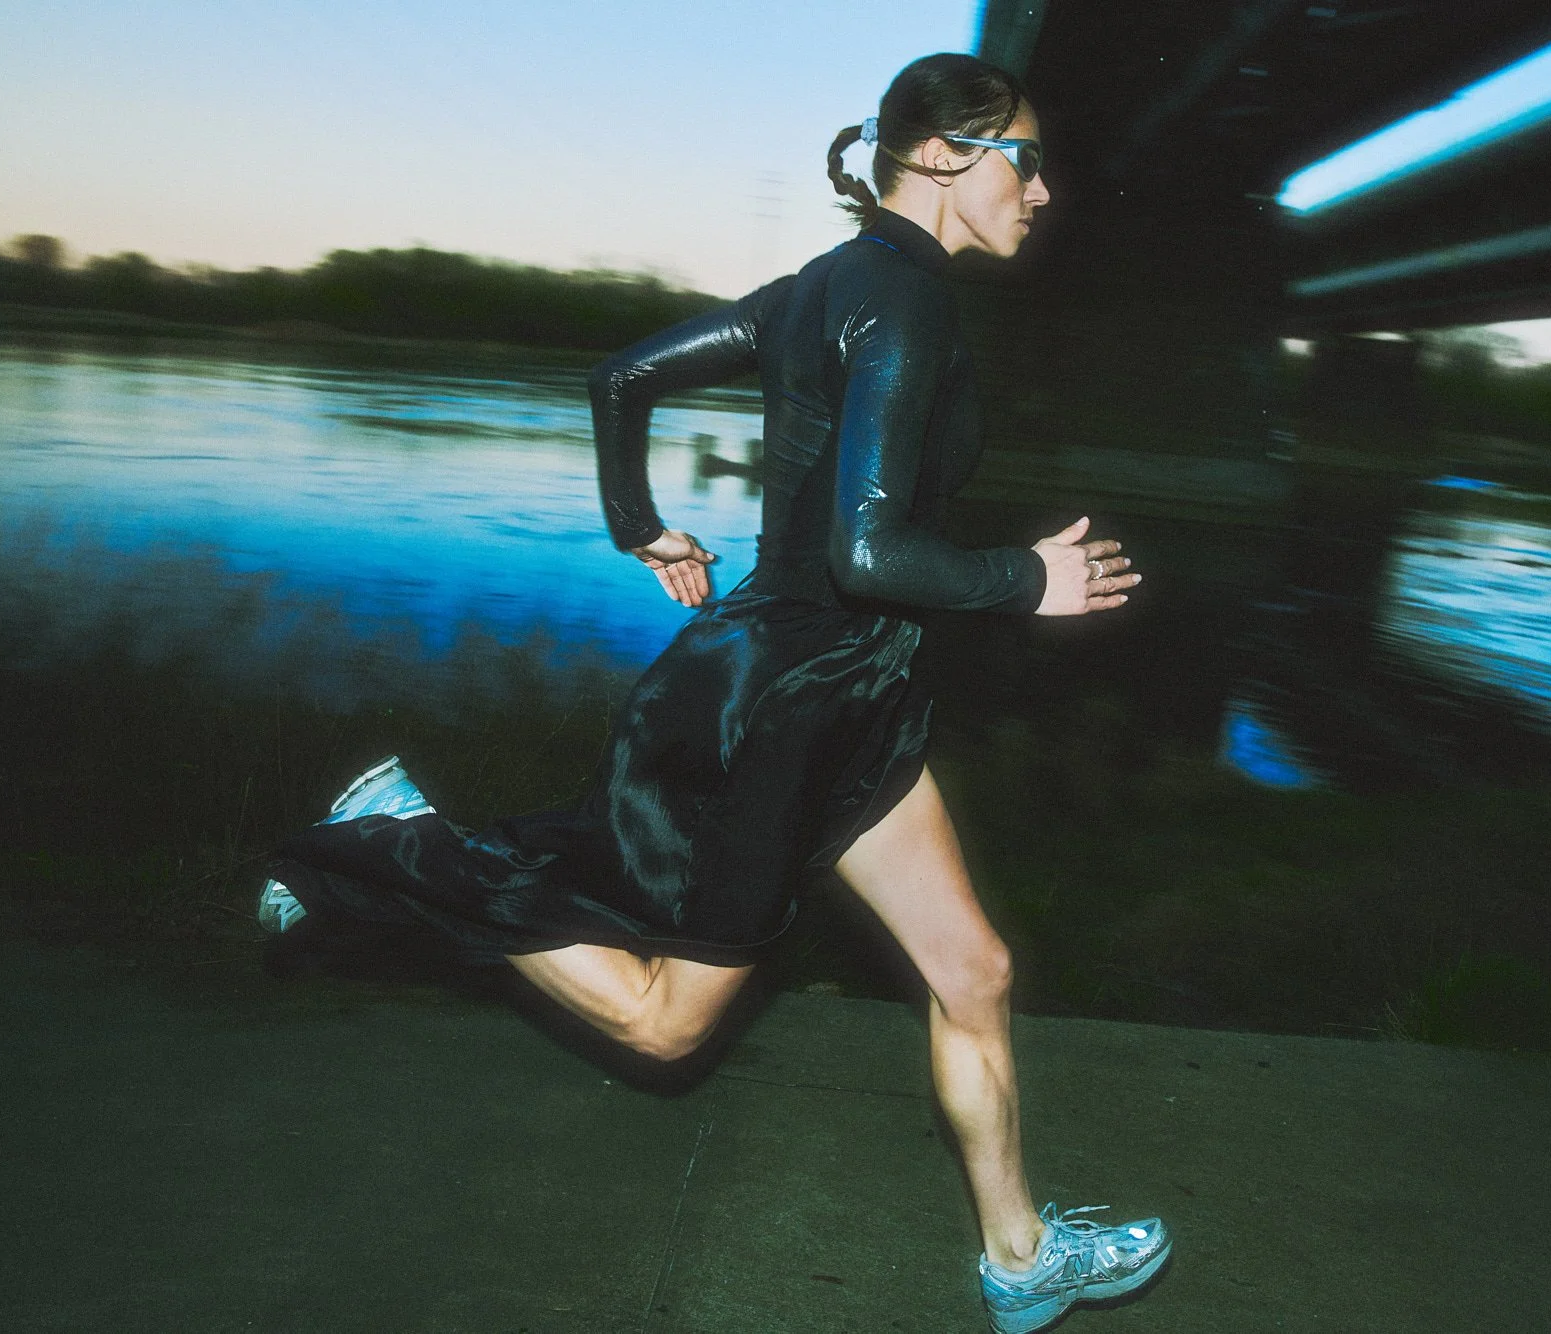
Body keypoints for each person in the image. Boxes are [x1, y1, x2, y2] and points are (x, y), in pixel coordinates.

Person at [256, 52, 1169, 1334]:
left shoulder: (814, 291)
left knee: (974, 966)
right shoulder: (901, 305)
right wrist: (1029, 578)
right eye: (1027, 158)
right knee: (663, 1026)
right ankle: (403, 841)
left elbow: (618, 379)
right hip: (785, 708)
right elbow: (864, 552)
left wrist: (643, 525)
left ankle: (1019, 1257)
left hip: (855, 692)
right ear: (950, 157)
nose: (1045, 188)